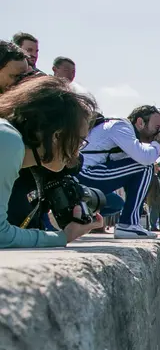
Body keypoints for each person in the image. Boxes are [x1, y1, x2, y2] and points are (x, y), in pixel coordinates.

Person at [0, 75, 102, 248]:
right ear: (56, 135)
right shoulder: (8, 141)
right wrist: (63, 236)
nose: (77, 153)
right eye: (79, 141)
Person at [77, 105, 160, 239]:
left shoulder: (125, 133)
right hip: (85, 174)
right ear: (140, 122)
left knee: (115, 204)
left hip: (85, 176)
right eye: (156, 128)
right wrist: (157, 142)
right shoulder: (121, 126)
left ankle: (75, 214)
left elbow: (130, 164)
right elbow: (143, 160)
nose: (158, 133)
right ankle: (128, 224)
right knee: (145, 167)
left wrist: (158, 149)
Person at [145, 163, 160, 231]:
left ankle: (153, 226)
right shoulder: (151, 177)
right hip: (153, 199)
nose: (158, 170)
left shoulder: (155, 177)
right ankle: (153, 227)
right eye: (156, 168)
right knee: (153, 213)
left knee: (155, 213)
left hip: (156, 199)